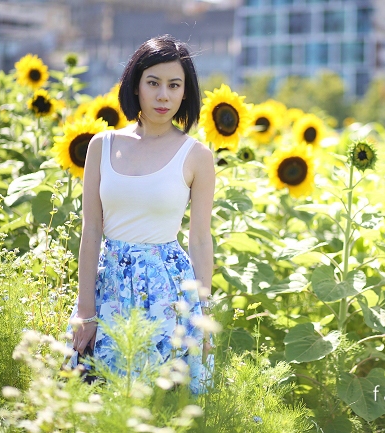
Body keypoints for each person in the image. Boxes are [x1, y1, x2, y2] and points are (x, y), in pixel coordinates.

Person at [66, 34, 216, 394]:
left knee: (166, 400)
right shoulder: (103, 146)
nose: (163, 95)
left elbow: (198, 238)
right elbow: (91, 229)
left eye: (174, 85)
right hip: (108, 285)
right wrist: (85, 309)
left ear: (185, 93)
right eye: (153, 83)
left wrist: (204, 313)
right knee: (93, 391)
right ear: (136, 87)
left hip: (169, 288)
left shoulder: (196, 155)